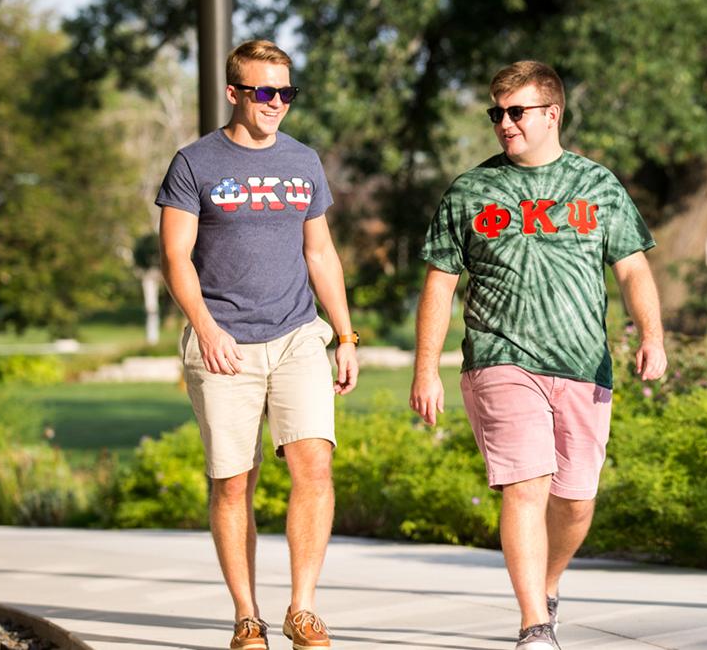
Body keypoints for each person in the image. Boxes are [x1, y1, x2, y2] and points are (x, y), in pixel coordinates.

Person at [410, 60, 667, 650]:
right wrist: (427, 369)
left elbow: (632, 269)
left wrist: (651, 335)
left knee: (575, 501)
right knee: (527, 484)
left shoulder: (597, 185)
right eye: (496, 113)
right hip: (500, 357)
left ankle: (546, 587)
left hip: (582, 365)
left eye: (515, 112)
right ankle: (534, 625)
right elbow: (440, 284)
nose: (504, 123)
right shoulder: (471, 190)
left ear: (552, 114)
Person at [157, 39, 359, 650]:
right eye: (264, 92)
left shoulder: (303, 161)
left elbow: (319, 252)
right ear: (234, 93)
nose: (276, 103)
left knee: (314, 466)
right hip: (224, 342)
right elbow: (175, 257)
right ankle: (248, 615)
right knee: (232, 481)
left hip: (298, 334)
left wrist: (344, 334)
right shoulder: (195, 163)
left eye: (286, 92)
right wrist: (207, 328)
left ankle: (303, 609)